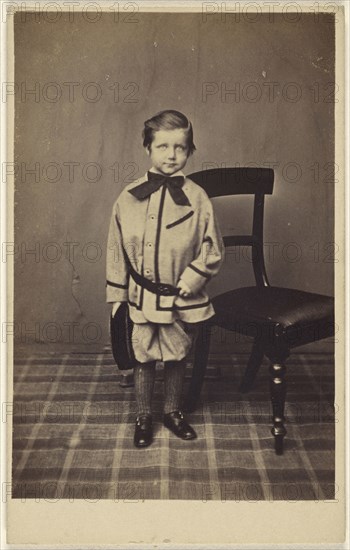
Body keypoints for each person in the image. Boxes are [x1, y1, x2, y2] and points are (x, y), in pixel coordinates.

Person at [106, 110, 224, 447]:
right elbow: (116, 248)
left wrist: (194, 276)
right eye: (162, 147)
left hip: (181, 297)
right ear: (148, 148)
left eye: (180, 148)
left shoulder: (198, 198)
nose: (171, 155)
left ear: (189, 151)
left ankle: (173, 411)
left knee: (176, 354)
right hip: (141, 297)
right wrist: (117, 295)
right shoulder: (127, 198)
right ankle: (143, 415)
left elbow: (213, 246)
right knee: (142, 355)